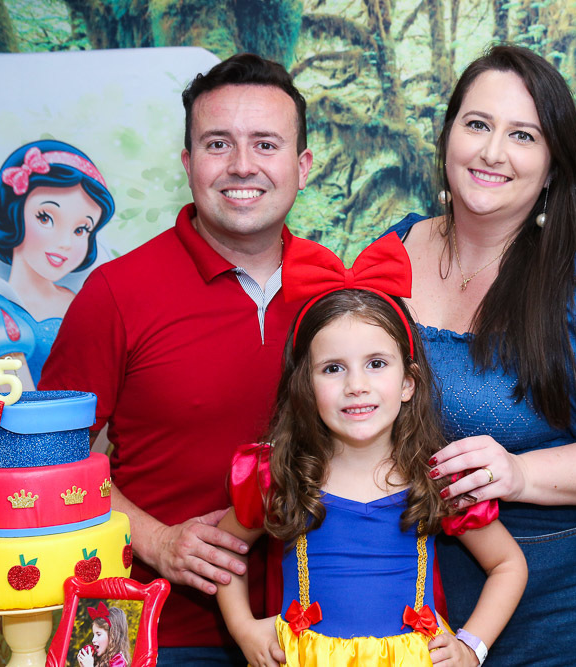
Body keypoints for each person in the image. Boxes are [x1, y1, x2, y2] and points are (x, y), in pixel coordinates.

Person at [383, 45, 576, 665]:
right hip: (404, 592)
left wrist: (521, 473)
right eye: (477, 124)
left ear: (554, 165)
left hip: (549, 604)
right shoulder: (390, 251)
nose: (492, 152)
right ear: (448, 136)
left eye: (523, 135)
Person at [39, 53, 314, 665]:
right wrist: (159, 542)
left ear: (302, 167)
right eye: (218, 144)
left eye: (265, 144)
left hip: (316, 625)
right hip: (147, 629)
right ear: (188, 164)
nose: (242, 165)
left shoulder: (335, 291)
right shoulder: (117, 292)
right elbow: (50, 459)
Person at [214, 234, 527, 667]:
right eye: (333, 368)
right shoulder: (280, 474)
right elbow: (223, 549)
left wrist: (472, 648)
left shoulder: (437, 478)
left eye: (376, 364)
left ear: (408, 383)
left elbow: (508, 565)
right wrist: (243, 627)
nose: (356, 385)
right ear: (305, 386)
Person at [0, 139, 115, 386]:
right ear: (13, 215)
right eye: (45, 218)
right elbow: (20, 398)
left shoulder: (85, 302)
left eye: (81, 229)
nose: (65, 243)